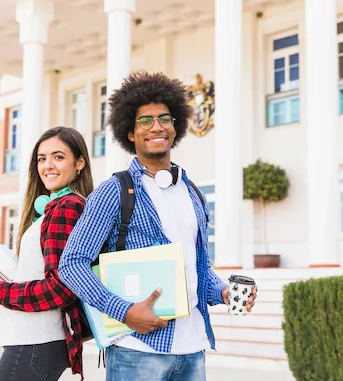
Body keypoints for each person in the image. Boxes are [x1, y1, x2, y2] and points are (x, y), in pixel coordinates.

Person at [59, 72, 258, 380]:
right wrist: (124, 311)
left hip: (193, 349)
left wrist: (223, 292)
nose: (157, 127)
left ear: (175, 127)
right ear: (130, 133)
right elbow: (72, 264)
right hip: (136, 350)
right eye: (145, 121)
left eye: (165, 118)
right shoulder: (114, 191)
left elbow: (195, 268)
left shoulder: (192, 192)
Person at [0, 126, 93, 380]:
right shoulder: (53, 208)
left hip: (37, 340)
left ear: (80, 162)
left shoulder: (67, 208)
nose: (48, 165)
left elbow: (60, 289)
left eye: (58, 157)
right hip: (36, 340)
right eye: (42, 159)